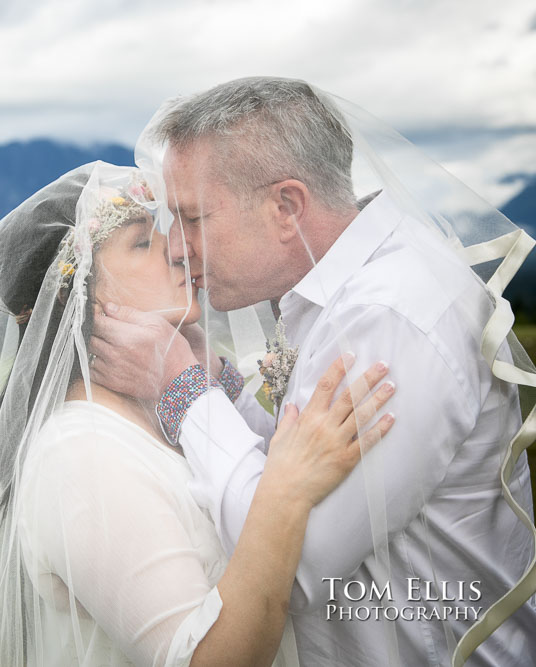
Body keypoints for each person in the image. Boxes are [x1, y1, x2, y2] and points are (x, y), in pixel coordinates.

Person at [91, 77, 536, 666]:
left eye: (193, 218)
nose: (176, 247)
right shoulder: (353, 292)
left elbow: (294, 564)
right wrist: (216, 381)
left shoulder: (386, 319)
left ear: (286, 207)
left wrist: (183, 392)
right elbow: (290, 469)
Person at [0, 161, 396, 666]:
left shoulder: (158, 417)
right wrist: (287, 491)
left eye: (165, 233)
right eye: (140, 242)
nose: (178, 250)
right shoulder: (81, 457)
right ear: (74, 294)